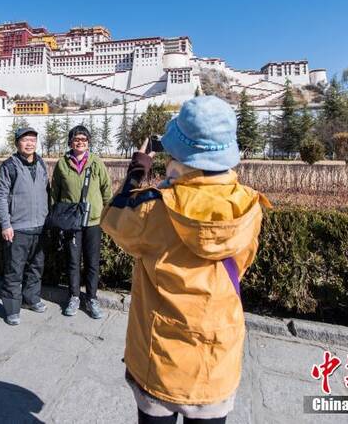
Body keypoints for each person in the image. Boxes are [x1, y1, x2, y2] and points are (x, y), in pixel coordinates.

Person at [101, 96, 271, 424]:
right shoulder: (250, 206)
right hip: (216, 358)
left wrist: (139, 170)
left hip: (159, 358)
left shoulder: (155, 209)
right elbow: (243, 264)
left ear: (179, 155)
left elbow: (113, 220)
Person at [51, 125, 112, 319]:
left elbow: (106, 190)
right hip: (71, 221)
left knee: (92, 262)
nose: (80, 143)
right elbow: (55, 194)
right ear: (70, 142)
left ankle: (92, 298)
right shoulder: (62, 164)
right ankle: (74, 296)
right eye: (77, 139)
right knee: (73, 261)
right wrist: (57, 219)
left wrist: (108, 213)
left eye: (84, 140)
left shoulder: (96, 163)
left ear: (88, 143)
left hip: (93, 221)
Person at [0, 127, 50, 326]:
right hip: (18, 228)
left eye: (33, 140)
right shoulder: (9, 166)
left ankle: (31, 298)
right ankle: (12, 308)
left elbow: (47, 193)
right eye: (25, 140)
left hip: (40, 226)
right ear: (17, 143)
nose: (30, 144)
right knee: (14, 269)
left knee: (36, 267)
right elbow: (0, 197)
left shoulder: (42, 163)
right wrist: (5, 224)